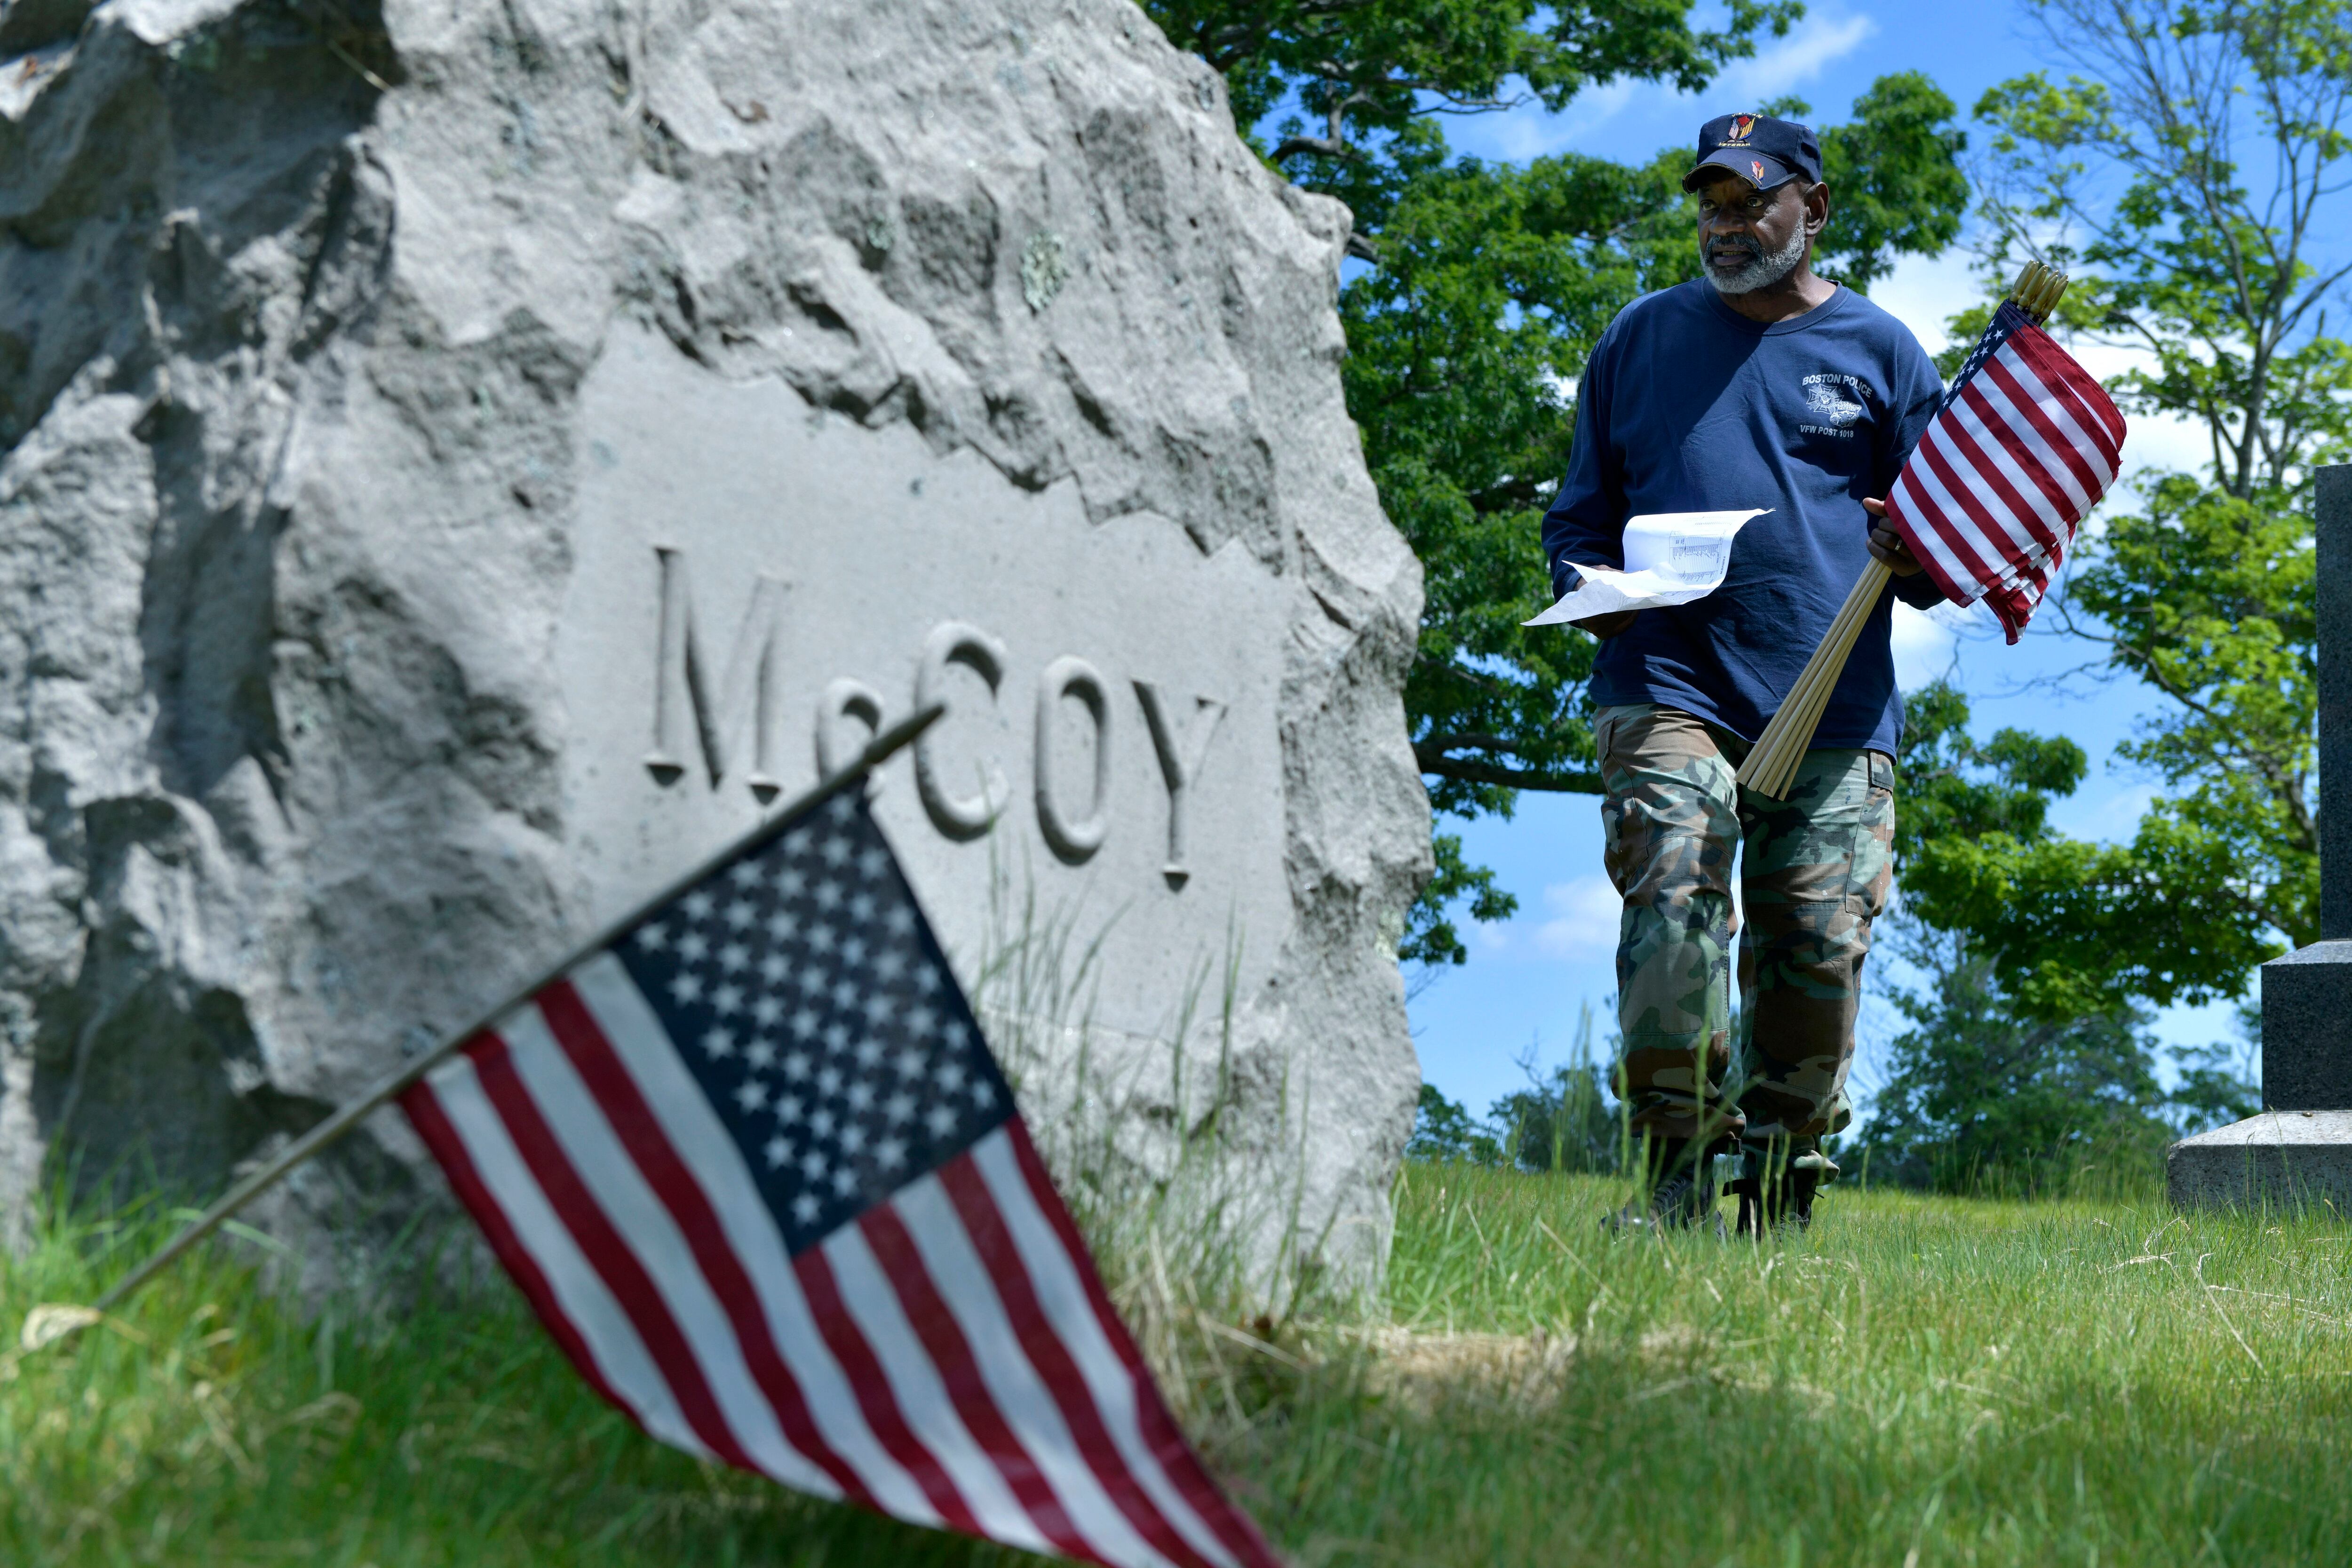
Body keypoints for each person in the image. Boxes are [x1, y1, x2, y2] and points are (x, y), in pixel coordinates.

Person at [1540, 111, 1944, 1235]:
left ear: (1810, 209)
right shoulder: (1638, 338)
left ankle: (1777, 1187)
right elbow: (1578, 517)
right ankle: (1674, 1174)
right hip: (1666, 682)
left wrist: (1919, 554)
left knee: (1817, 946)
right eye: (1709, 206)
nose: (1724, 226)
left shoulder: (1881, 352)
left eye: (1749, 203)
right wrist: (1591, 587)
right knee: (1671, 904)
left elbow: (1941, 549)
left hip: (1833, 704)